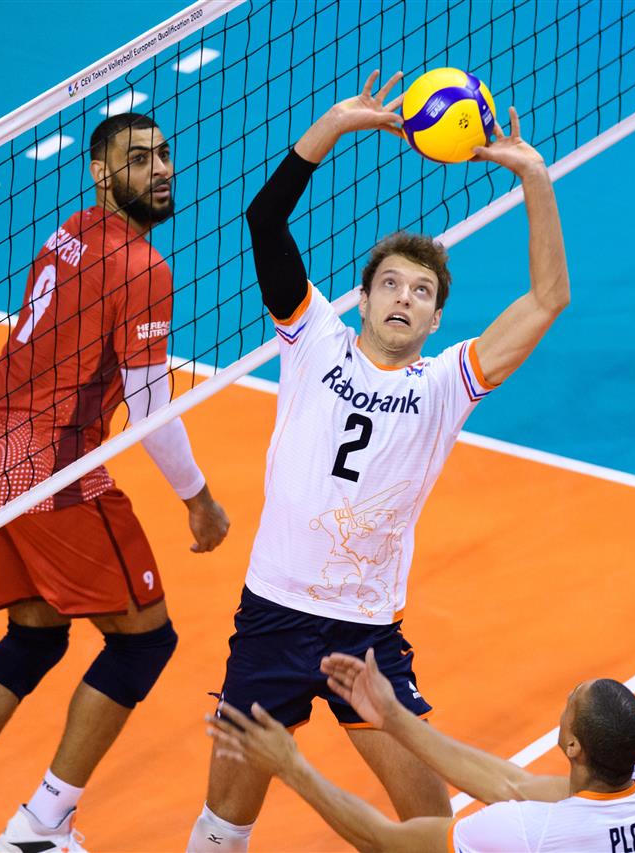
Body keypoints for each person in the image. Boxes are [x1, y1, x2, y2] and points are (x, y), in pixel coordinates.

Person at [186, 71, 571, 851]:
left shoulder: (447, 383)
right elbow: (265, 218)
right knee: (224, 826)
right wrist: (333, 124)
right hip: (272, 614)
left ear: (436, 316)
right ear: (361, 300)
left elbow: (546, 300)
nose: (402, 297)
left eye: (420, 291)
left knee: (434, 826)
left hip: (366, 631)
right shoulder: (311, 337)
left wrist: (535, 176)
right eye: (389, 284)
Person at [0, 112, 230, 853]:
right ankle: (41, 826)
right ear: (102, 175)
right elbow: (149, 409)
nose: (161, 170)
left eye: (163, 154)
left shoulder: (69, 231)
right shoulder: (144, 268)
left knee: (35, 636)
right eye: (139, 159)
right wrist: (198, 499)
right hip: (51, 467)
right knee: (143, 643)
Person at [207, 649, 635, 852]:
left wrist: (291, 767)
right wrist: (394, 719)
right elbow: (512, 784)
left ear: (573, 745)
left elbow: (383, 841)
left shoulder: (526, 834)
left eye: (570, 703)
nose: (565, 700)